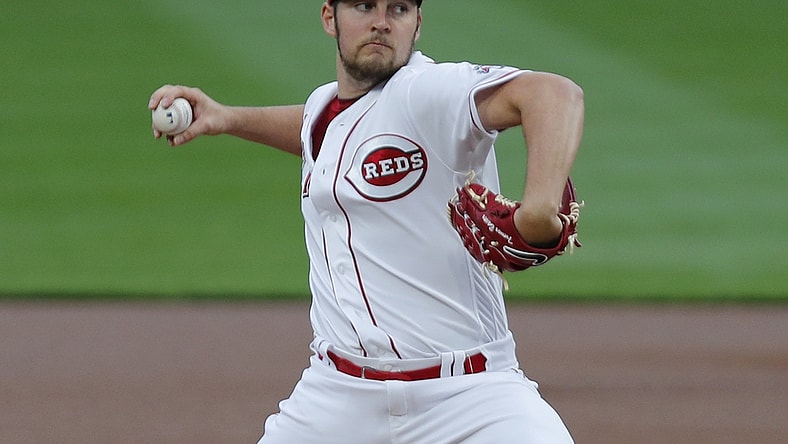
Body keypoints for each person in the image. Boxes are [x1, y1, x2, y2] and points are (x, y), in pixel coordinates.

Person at [148, 1, 583, 442]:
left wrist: (539, 212)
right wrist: (228, 118)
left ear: (417, 25)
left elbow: (555, 94)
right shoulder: (325, 107)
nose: (381, 21)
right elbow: (327, 128)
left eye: (398, 8)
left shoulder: (428, 91)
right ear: (329, 17)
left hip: (469, 396)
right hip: (337, 397)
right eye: (363, 6)